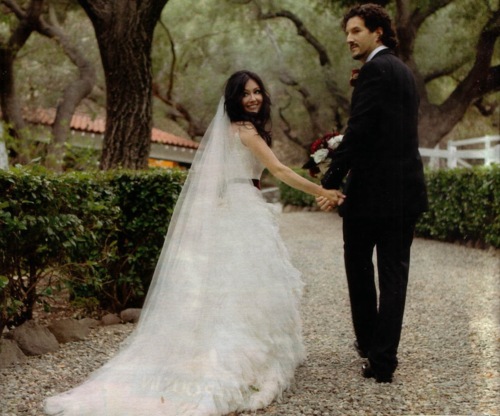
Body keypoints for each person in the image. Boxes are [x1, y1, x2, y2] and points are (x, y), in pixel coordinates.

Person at [44, 70, 344, 416]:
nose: (253, 98)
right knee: (247, 283)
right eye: (245, 93)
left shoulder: (230, 131)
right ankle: (241, 358)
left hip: (230, 206)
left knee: (228, 284)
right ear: (234, 98)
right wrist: (322, 190)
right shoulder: (247, 131)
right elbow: (279, 170)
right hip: (243, 207)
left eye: (257, 91)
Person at [317, 4, 428, 383]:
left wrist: (329, 180)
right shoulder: (404, 72)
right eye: (347, 32)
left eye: (356, 31)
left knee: (360, 268)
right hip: (406, 191)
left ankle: (371, 347)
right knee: (394, 275)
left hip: (371, 196)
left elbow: (360, 131)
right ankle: (382, 359)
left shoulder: (374, 70)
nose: (349, 38)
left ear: (378, 31)